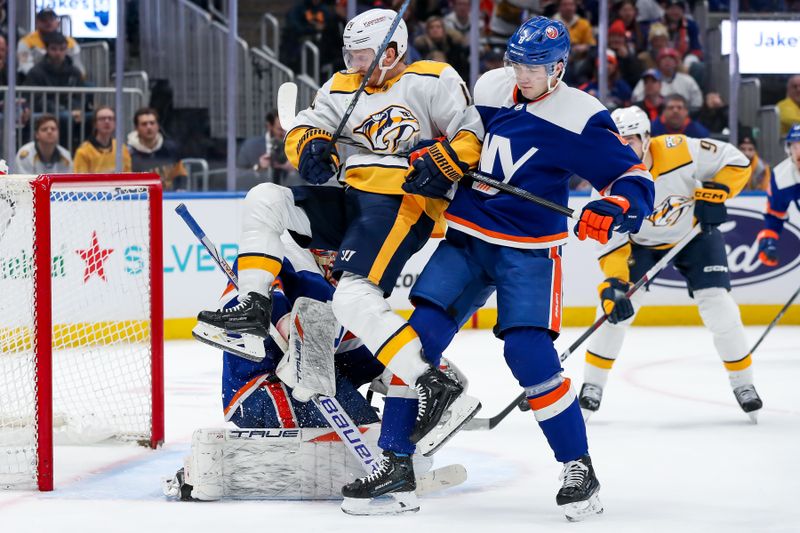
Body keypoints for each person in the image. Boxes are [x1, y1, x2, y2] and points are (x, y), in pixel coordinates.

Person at [347, 16, 655, 519]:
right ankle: (396, 463)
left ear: (558, 67)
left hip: (528, 249)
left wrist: (615, 206)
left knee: (528, 354)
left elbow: (632, 176)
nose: (523, 74)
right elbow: (455, 137)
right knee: (415, 341)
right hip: (468, 237)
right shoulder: (490, 85)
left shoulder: (583, 115)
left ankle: (578, 467)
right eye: (517, 62)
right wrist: (435, 154)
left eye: (535, 66)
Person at [192, 8, 484, 512]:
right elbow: (306, 125)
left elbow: (470, 134)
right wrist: (308, 147)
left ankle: (426, 382)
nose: (354, 62)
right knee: (265, 196)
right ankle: (254, 303)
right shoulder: (343, 85)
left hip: (399, 200)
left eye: (363, 54)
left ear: (392, 51)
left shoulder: (433, 79)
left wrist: (447, 161)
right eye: (350, 54)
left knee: (352, 297)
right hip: (350, 197)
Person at [579, 106, 762, 424]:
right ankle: (592, 384)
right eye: (616, 141)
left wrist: (716, 193)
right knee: (612, 312)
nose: (623, 148)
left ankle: (743, 383)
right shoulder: (607, 179)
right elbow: (613, 244)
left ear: (647, 138)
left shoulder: (681, 150)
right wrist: (614, 284)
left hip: (693, 235)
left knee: (719, 305)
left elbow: (737, 161)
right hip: (640, 244)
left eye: (631, 140)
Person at [757, 124, 800, 267]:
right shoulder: (782, 177)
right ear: (788, 150)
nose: (799, 152)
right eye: (795, 147)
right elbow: (775, 214)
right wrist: (769, 241)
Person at [127, 108, 188, 191]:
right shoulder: (128, 153)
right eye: (144, 124)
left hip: (169, 200)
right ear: (136, 128)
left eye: (152, 123)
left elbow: (181, 174)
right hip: (141, 200)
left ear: (158, 126)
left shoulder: (171, 148)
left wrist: (180, 189)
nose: (149, 127)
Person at [17, 8, 85, 79]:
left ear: (57, 23)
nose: (48, 22)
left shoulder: (70, 42)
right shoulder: (26, 42)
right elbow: (25, 66)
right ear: (37, 23)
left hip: (63, 79)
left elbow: (77, 65)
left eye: (51, 19)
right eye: (44, 20)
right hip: (34, 80)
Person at [237, 111, 300, 187]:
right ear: (269, 126)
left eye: (288, 129)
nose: (285, 134)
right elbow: (237, 178)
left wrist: (296, 169)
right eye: (280, 129)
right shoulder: (250, 147)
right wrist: (258, 167)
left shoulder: (298, 146)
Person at [632, 47, 702, 111]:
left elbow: (697, 102)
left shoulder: (687, 80)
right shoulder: (648, 80)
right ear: (658, 63)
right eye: (663, 58)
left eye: (671, 58)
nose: (667, 61)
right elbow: (636, 98)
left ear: (676, 63)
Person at [73, 106, 132, 173]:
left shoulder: (121, 148)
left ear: (115, 123)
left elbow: (128, 176)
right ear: (95, 124)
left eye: (110, 118)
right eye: (102, 119)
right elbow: (81, 180)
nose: (107, 121)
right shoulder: (83, 152)